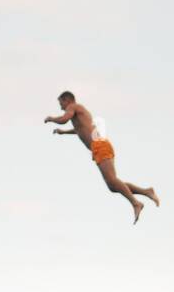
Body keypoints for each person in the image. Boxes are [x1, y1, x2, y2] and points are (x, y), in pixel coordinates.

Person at [44, 91, 160, 225]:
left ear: (67, 100)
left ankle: (136, 203)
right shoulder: (79, 112)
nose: (61, 107)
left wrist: (51, 119)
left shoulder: (73, 107)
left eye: (61, 103)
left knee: (113, 180)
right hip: (99, 146)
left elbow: (64, 119)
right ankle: (146, 192)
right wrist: (63, 132)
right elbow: (80, 130)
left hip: (100, 145)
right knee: (112, 185)